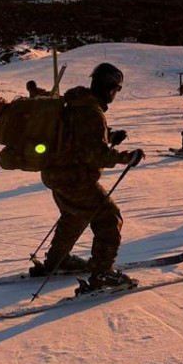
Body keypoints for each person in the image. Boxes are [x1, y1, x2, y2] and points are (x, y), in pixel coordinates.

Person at [35, 62, 144, 292]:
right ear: (108, 87)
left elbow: (77, 138)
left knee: (74, 215)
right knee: (108, 218)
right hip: (75, 179)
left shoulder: (75, 103)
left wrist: (110, 135)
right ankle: (102, 274)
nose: (116, 94)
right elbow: (96, 154)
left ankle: (58, 261)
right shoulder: (90, 110)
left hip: (56, 174)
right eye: (116, 89)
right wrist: (128, 157)